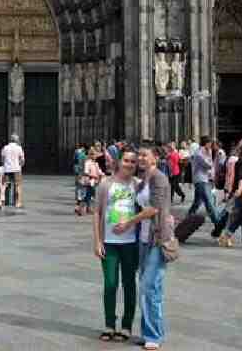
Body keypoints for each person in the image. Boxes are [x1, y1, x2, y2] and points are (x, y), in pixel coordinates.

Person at [116, 144, 172, 351]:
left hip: (158, 238)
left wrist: (129, 222)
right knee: (150, 286)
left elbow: (154, 209)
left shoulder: (159, 178)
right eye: (138, 155)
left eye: (144, 155)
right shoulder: (143, 182)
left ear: (155, 158)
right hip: (144, 238)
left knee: (149, 286)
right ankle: (150, 331)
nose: (140, 158)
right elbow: (132, 201)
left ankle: (153, 335)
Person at [92, 149, 139, 343]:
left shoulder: (138, 185)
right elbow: (97, 212)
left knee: (129, 284)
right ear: (119, 162)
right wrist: (97, 240)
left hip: (131, 242)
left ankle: (126, 326)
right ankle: (109, 324)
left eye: (133, 161)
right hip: (109, 241)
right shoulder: (106, 184)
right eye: (126, 160)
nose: (129, 164)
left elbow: (146, 210)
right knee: (110, 284)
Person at [187, 136, 222, 228]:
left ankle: (188, 217)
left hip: (205, 179)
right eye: (210, 143)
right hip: (200, 180)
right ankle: (218, 223)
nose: (211, 146)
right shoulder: (199, 153)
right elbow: (208, 165)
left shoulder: (207, 151)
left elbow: (210, 166)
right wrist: (213, 160)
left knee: (197, 202)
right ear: (206, 143)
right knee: (209, 202)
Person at [77, 147, 103, 216]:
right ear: (91, 155)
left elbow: (99, 172)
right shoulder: (88, 162)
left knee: (88, 196)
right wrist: (93, 176)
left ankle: (84, 209)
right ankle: (83, 209)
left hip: (94, 182)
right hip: (89, 182)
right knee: (95, 196)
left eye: (95, 155)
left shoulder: (95, 163)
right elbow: (86, 172)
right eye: (94, 155)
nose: (95, 156)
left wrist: (101, 174)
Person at [2, 134, 26, 208]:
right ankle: (17, 202)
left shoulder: (5, 147)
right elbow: (22, 159)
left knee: (6, 185)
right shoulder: (19, 148)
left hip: (7, 169)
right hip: (16, 169)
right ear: (17, 140)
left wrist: (5, 164)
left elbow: (2, 159)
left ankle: (6, 201)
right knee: (17, 185)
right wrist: (20, 165)